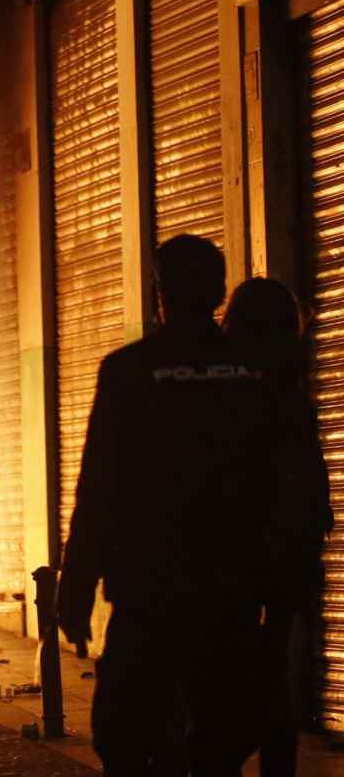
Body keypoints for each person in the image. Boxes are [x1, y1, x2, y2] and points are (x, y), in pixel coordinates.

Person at [57, 236, 284, 776]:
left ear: (160, 291)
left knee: (127, 733)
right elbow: (283, 479)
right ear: (218, 291)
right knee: (222, 735)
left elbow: (100, 486)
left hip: (148, 589)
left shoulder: (130, 370)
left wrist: (77, 584)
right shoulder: (257, 373)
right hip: (230, 588)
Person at [222, 277, 334, 777]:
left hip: (240, 560)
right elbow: (310, 481)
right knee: (275, 682)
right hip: (284, 558)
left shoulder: (222, 388)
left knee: (243, 678)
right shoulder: (287, 394)